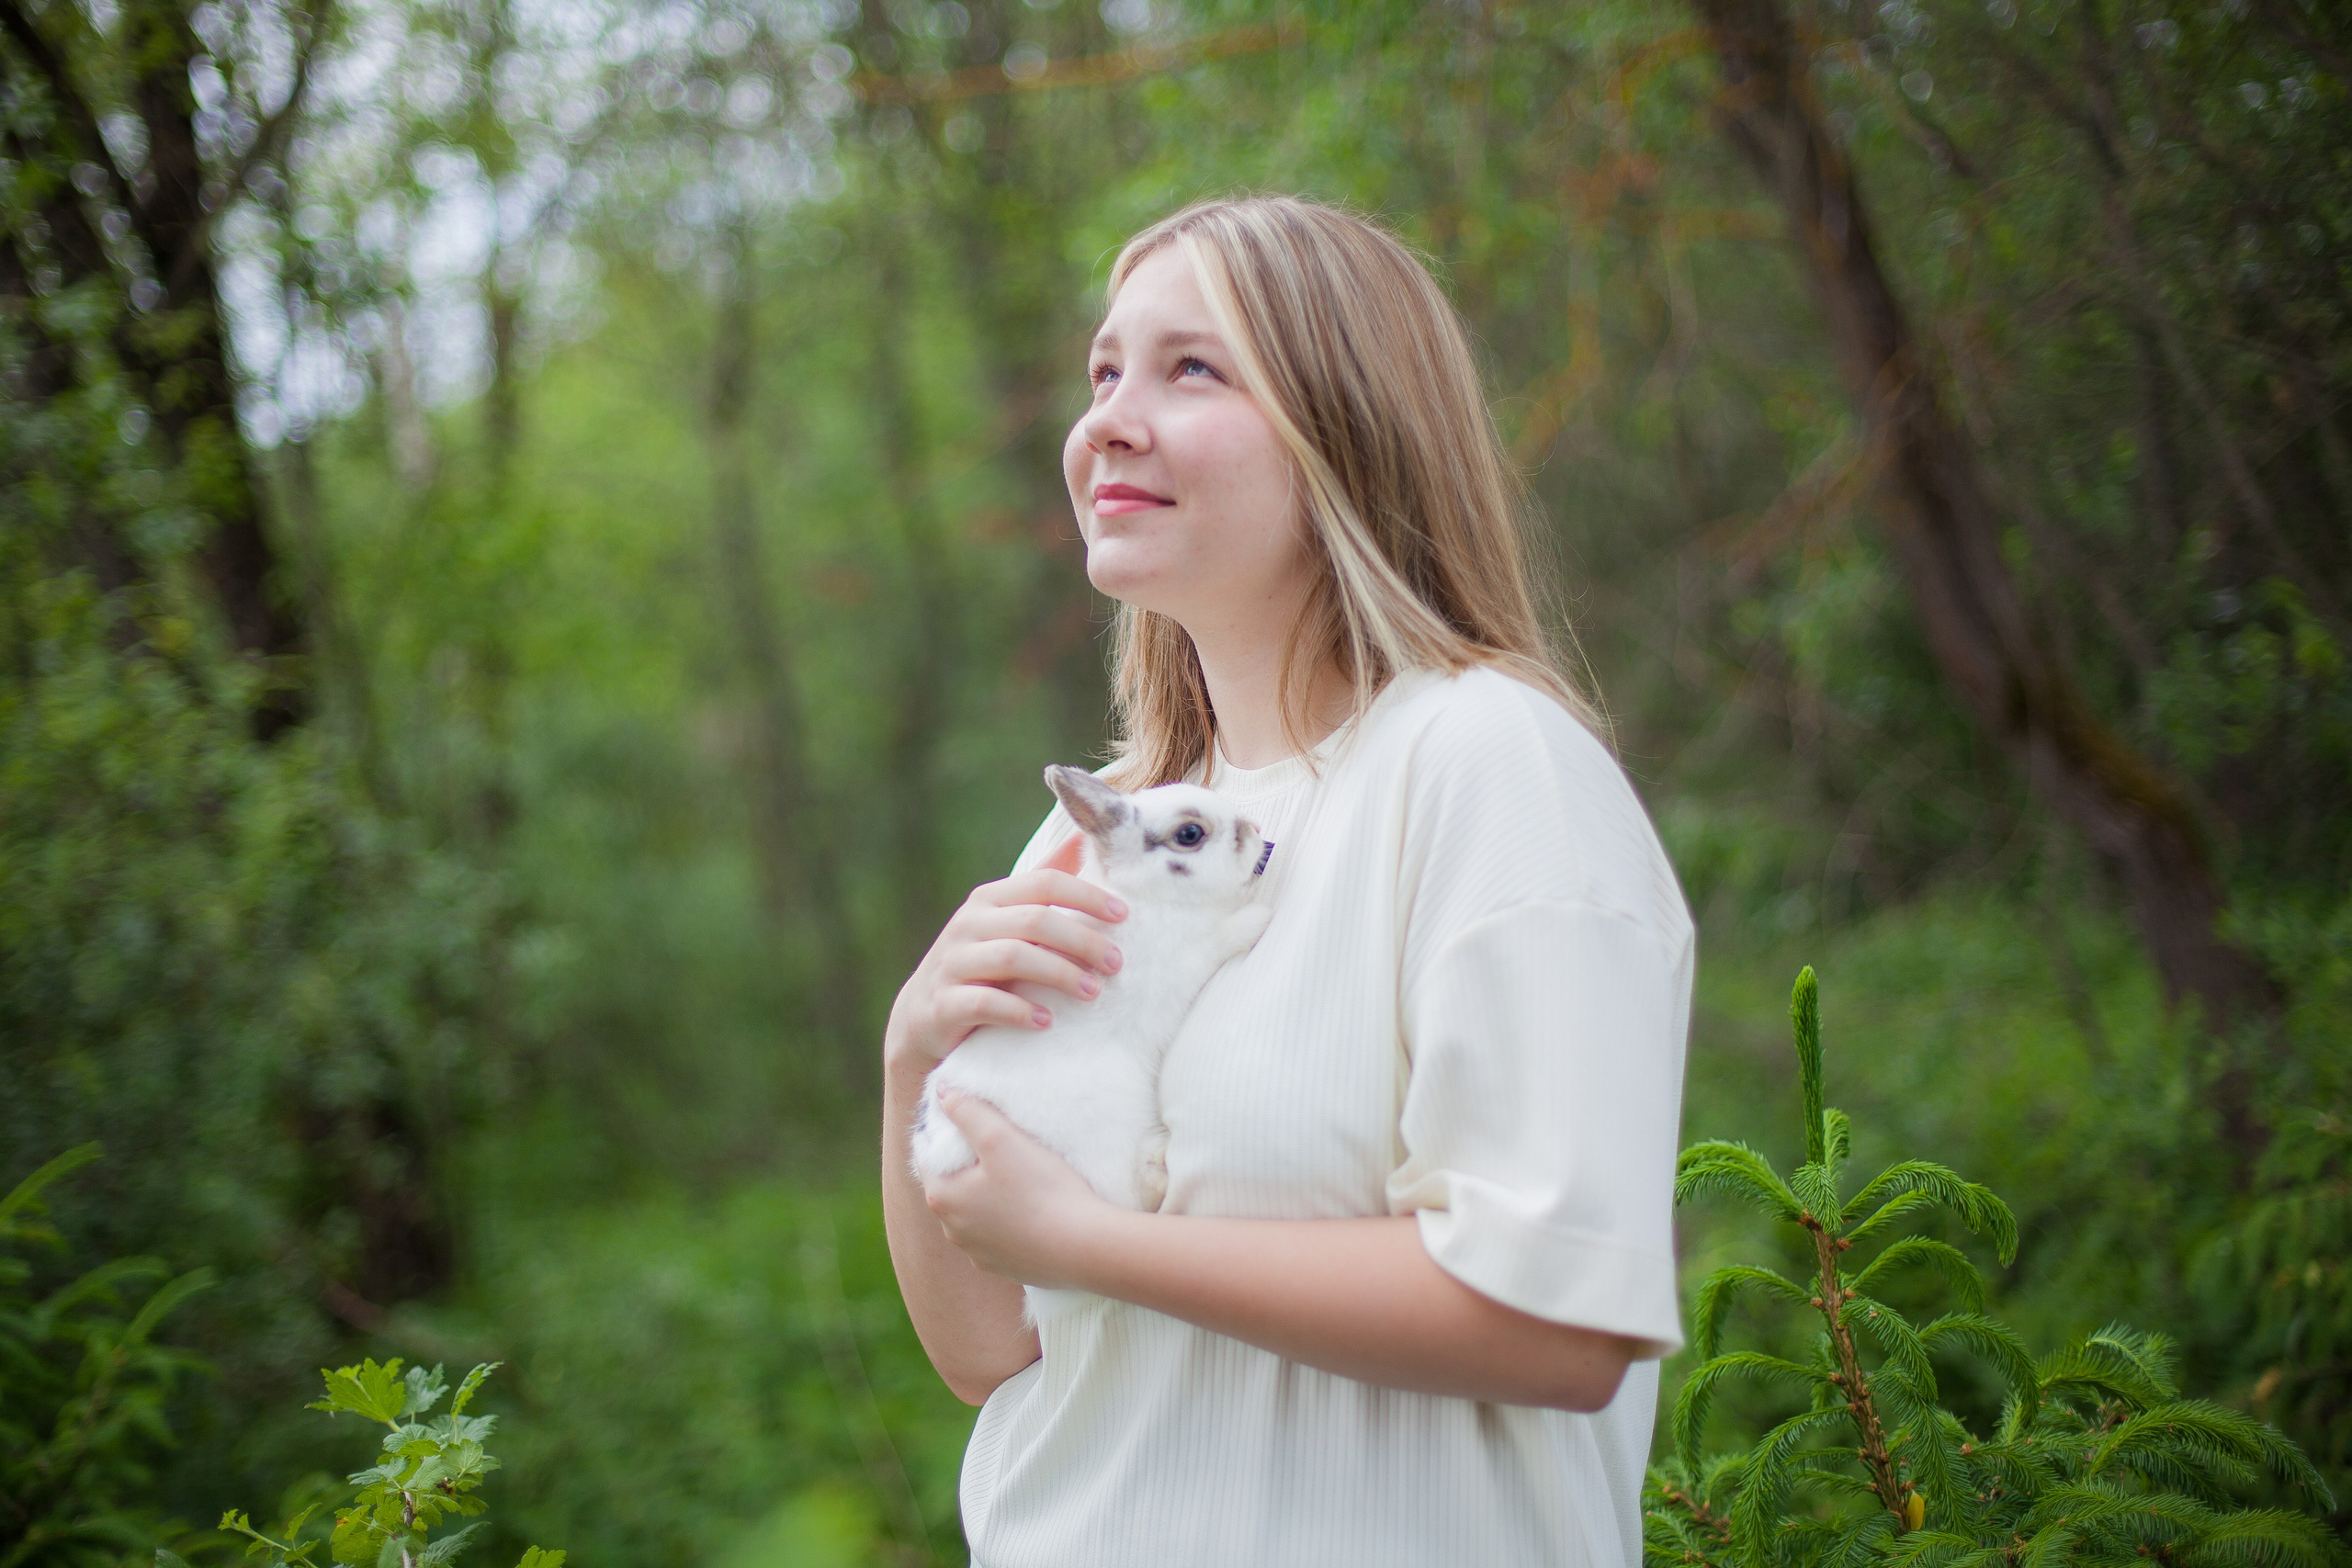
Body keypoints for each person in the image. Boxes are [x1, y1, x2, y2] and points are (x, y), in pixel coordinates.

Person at [878, 195, 1692, 1568]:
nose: (1110, 422)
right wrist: (913, 1064)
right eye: (1105, 372)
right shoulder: (1095, 839)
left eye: (1191, 368)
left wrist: (1094, 1241)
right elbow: (993, 1353)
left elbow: (1559, 1324)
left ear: (1350, 429)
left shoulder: (1490, 767)